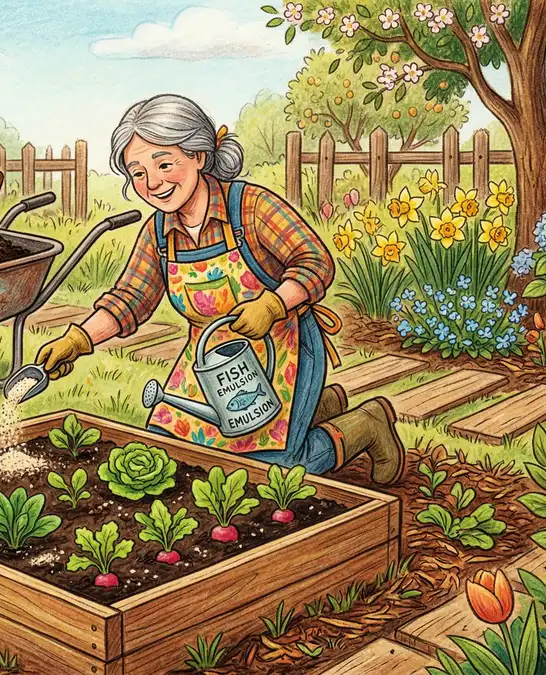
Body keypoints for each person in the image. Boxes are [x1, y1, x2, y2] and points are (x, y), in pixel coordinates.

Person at [35, 94, 404, 484]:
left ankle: (367, 423)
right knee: (171, 457)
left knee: (267, 475)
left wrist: (274, 305)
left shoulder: (250, 207)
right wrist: (77, 340)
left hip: (284, 349)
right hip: (208, 361)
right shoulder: (158, 232)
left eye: (164, 164)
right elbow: (130, 299)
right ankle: (318, 408)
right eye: (138, 173)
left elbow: (316, 262)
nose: (153, 183)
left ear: (198, 155)